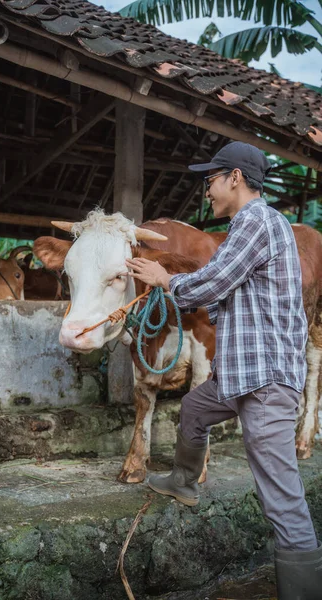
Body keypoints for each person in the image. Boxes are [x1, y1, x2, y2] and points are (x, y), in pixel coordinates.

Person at [126, 142, 321, 600]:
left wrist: (165, 278)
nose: (206, 189)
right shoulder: (247, 227)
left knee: (282, 498)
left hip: (267, 380)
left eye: (210, 179)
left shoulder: (256, 221)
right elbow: (221, 295)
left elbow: (213, 281)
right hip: (239, 374)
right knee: (193, 409)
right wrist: (179, 292)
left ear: (235, 177)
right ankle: (183, 481)